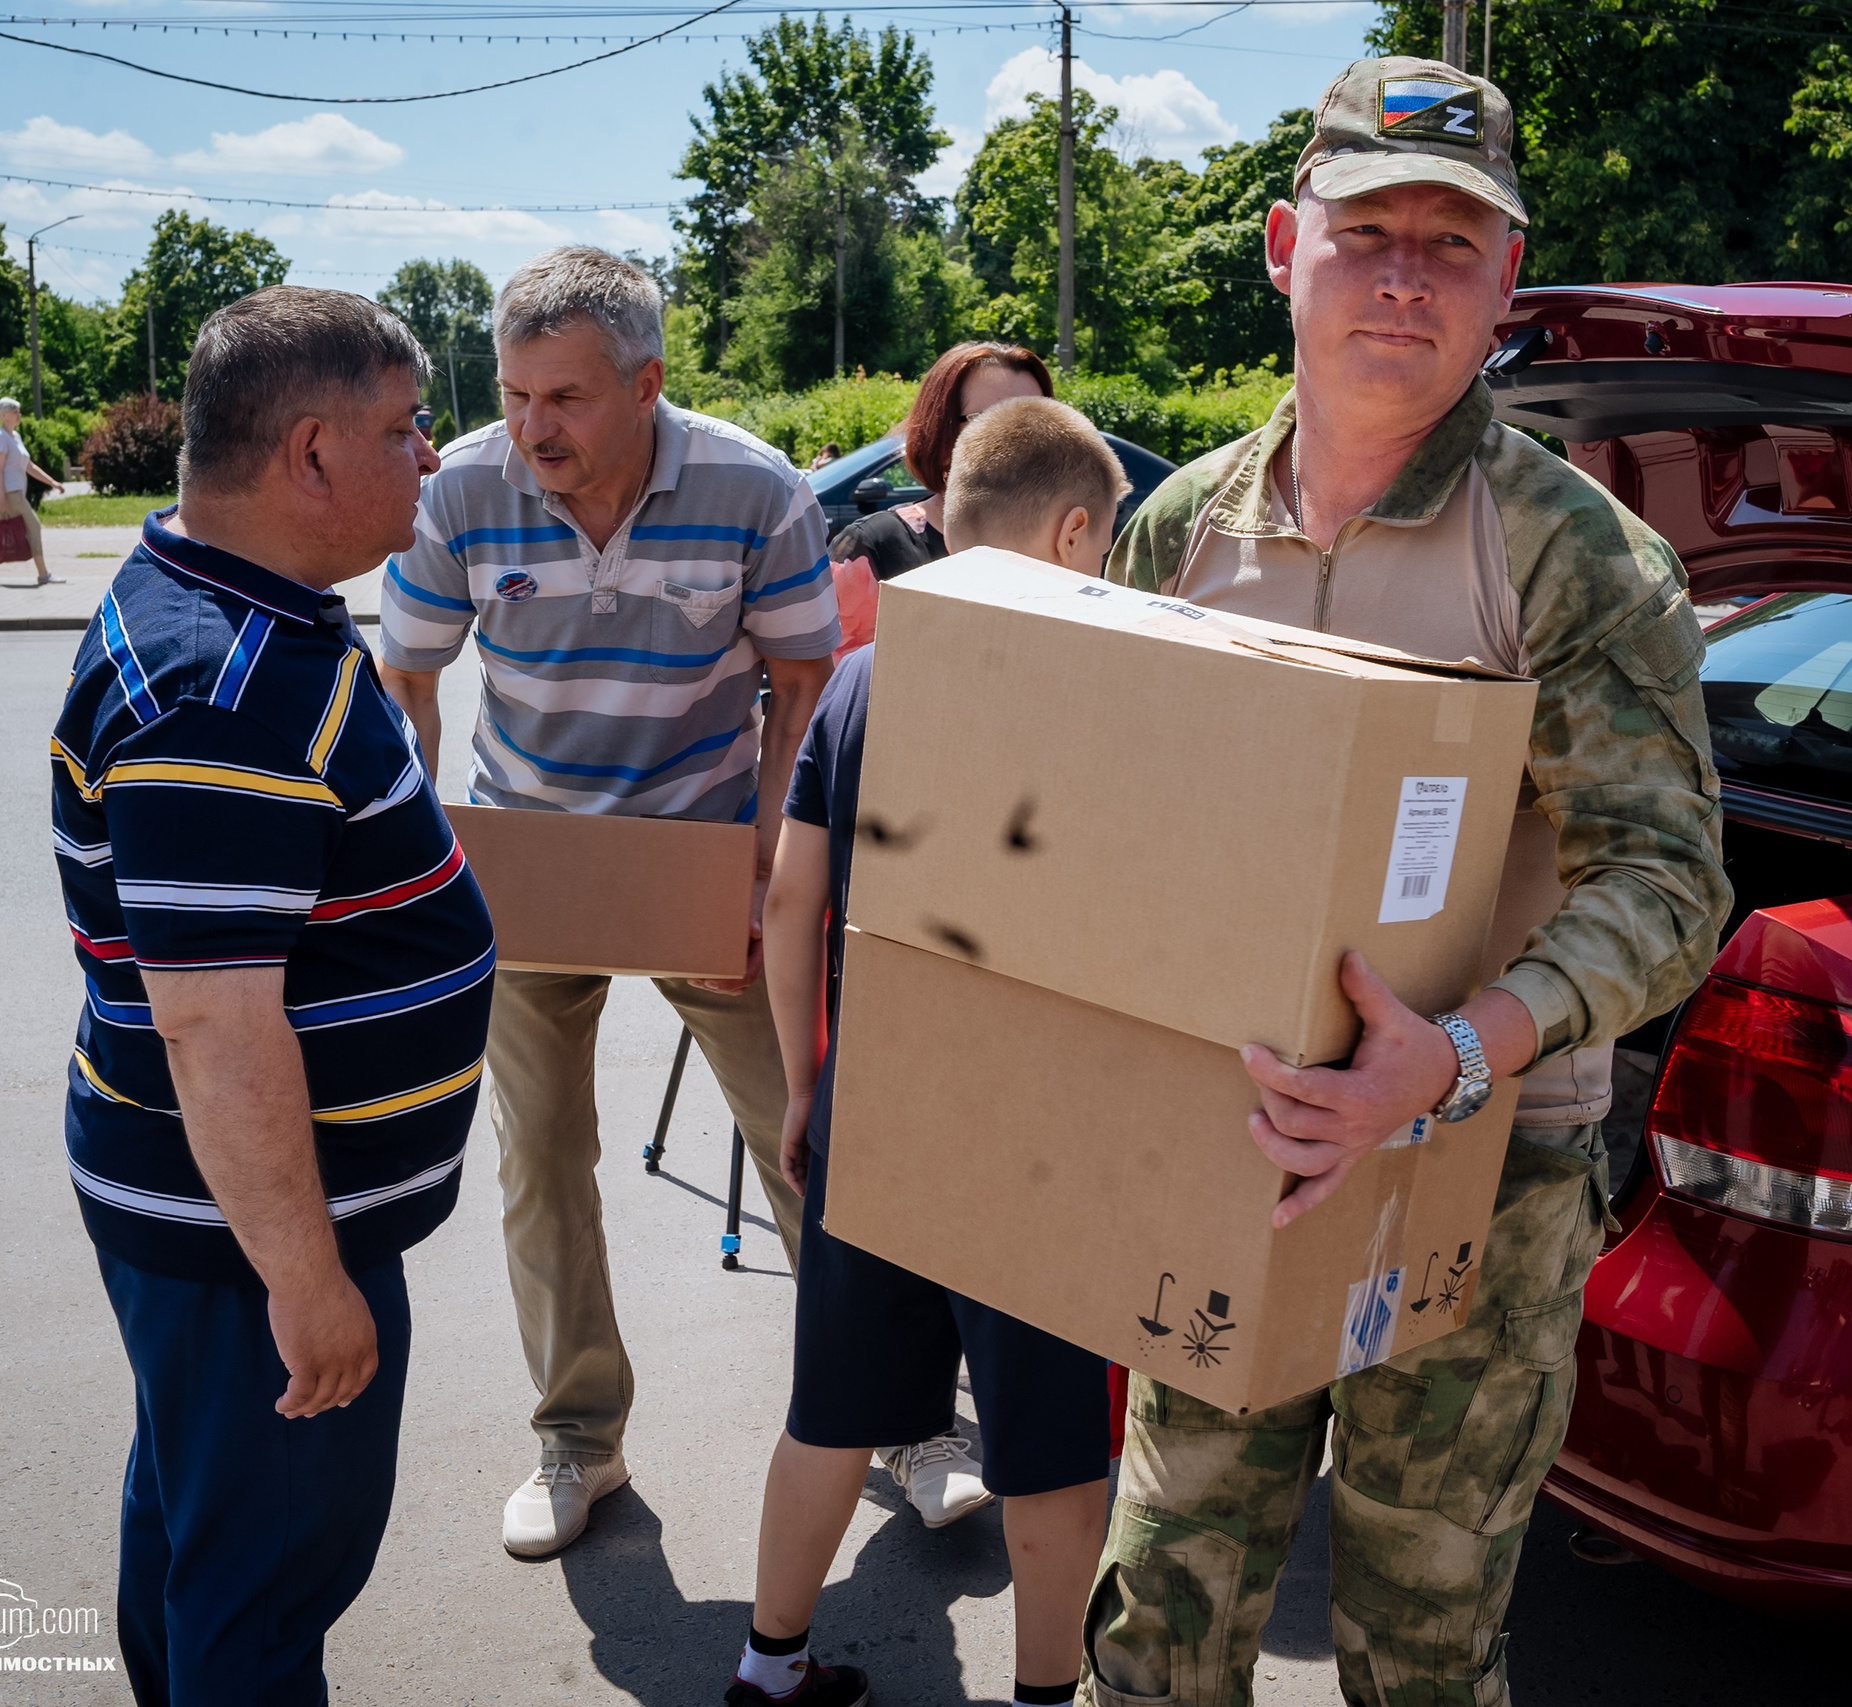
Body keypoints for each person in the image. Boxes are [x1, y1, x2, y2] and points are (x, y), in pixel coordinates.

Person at [1083, 57, 1731, 1707]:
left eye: (1456, 243)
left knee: (1420, 1651)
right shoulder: (1180, 529)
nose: (1405, 276)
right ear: (1287, 243)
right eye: (1372, 228)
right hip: (1227, 1142)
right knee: (1158, 1614)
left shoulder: (1575, 556)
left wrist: (1447, 1055)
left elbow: (1667, 881)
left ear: (1507, 282)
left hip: (1481, 1177)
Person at [49, 286, 489, 1700]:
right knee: (259, 1584)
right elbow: (216, 1024)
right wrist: (306, 1282)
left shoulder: (243, 611)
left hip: (231, 1227)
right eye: (405, 425)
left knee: (201, 1524)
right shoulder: (222, 687)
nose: (431, 454)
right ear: (310, 452)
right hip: (254, 1248)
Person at [376, 246, 844, 1561]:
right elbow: (408, 681)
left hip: (707, 860)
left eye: (566, 398)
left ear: (647, 384)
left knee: (809, 1136)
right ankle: (580, 1437)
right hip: (526, 868)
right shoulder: (465, 485)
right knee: (541, 1155)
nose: (534, 430)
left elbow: (806, 681)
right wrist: (420, 854)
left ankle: (894, 1411)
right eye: (517, 394)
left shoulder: (757, 489)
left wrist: (767, 859)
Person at [734, 395, 1131, 1707]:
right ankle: (1039, 1692)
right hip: (1041, 1130)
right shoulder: (1117, 682)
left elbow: (792, 899)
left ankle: (769, 1660)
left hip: (879, 1102)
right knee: (1054, 1445)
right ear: (1075, 529)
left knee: (835, 1406)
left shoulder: (859, 674)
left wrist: (805, 1083)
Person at [826, 343, 1050, 659]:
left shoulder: (1063, 545)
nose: (1018, 438)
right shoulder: (873, 548)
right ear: (940, 429)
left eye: (1036, 419)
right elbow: (828, 689)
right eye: (988, 419)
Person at [0, 396, 65, 586]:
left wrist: (53, 482)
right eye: (15, 411)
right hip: (10, 493)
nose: (19, 415)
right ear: (3, 415)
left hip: (15, 492)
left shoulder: (15, 437)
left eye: (19, 411)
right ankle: (43, 574)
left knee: (0, 532)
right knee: (34, 526)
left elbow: (28, 466)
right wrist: (0, 497)